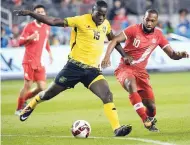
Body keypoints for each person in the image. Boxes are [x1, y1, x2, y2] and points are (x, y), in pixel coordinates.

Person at [14, 0, 132, 136]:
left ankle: (117, 129)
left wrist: (124, 55)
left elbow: (114, 40)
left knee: (107, 95)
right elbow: (53, 21)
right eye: (98, 14)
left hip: (92, 70)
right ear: (92, 11)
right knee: (48, 94)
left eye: (104, 15)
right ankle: (32, 104)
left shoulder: (105, 24)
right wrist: (31, 14)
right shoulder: (80, 20)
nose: (101, 17)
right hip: (73, 68)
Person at [101, 9, 189, 132]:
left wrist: (180, 54)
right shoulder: (133, 29)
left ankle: (150, 120)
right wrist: (106, 57)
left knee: (151, 107)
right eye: (147, 19)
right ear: (143, 18)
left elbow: (172, 55)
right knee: (131, 84)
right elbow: (114, 40)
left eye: (152, 21)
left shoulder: (158, 35)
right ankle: (145, 119)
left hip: (141, 73)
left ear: (156, 22)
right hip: (125, 68)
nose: (149, 23)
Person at [15, 5, 53, 116]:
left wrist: (49, 52)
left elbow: (45, 41)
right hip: (29, 61)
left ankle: (24, 100)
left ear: (45, 13)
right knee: (27, 85)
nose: (40, 13)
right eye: (38, 12)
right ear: (34, 14)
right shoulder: (29, 27)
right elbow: (20, 42)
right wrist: (29, 38)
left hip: (40, 62)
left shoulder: (47, 26)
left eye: (42, 12)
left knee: (42, 88)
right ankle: (18, 108)